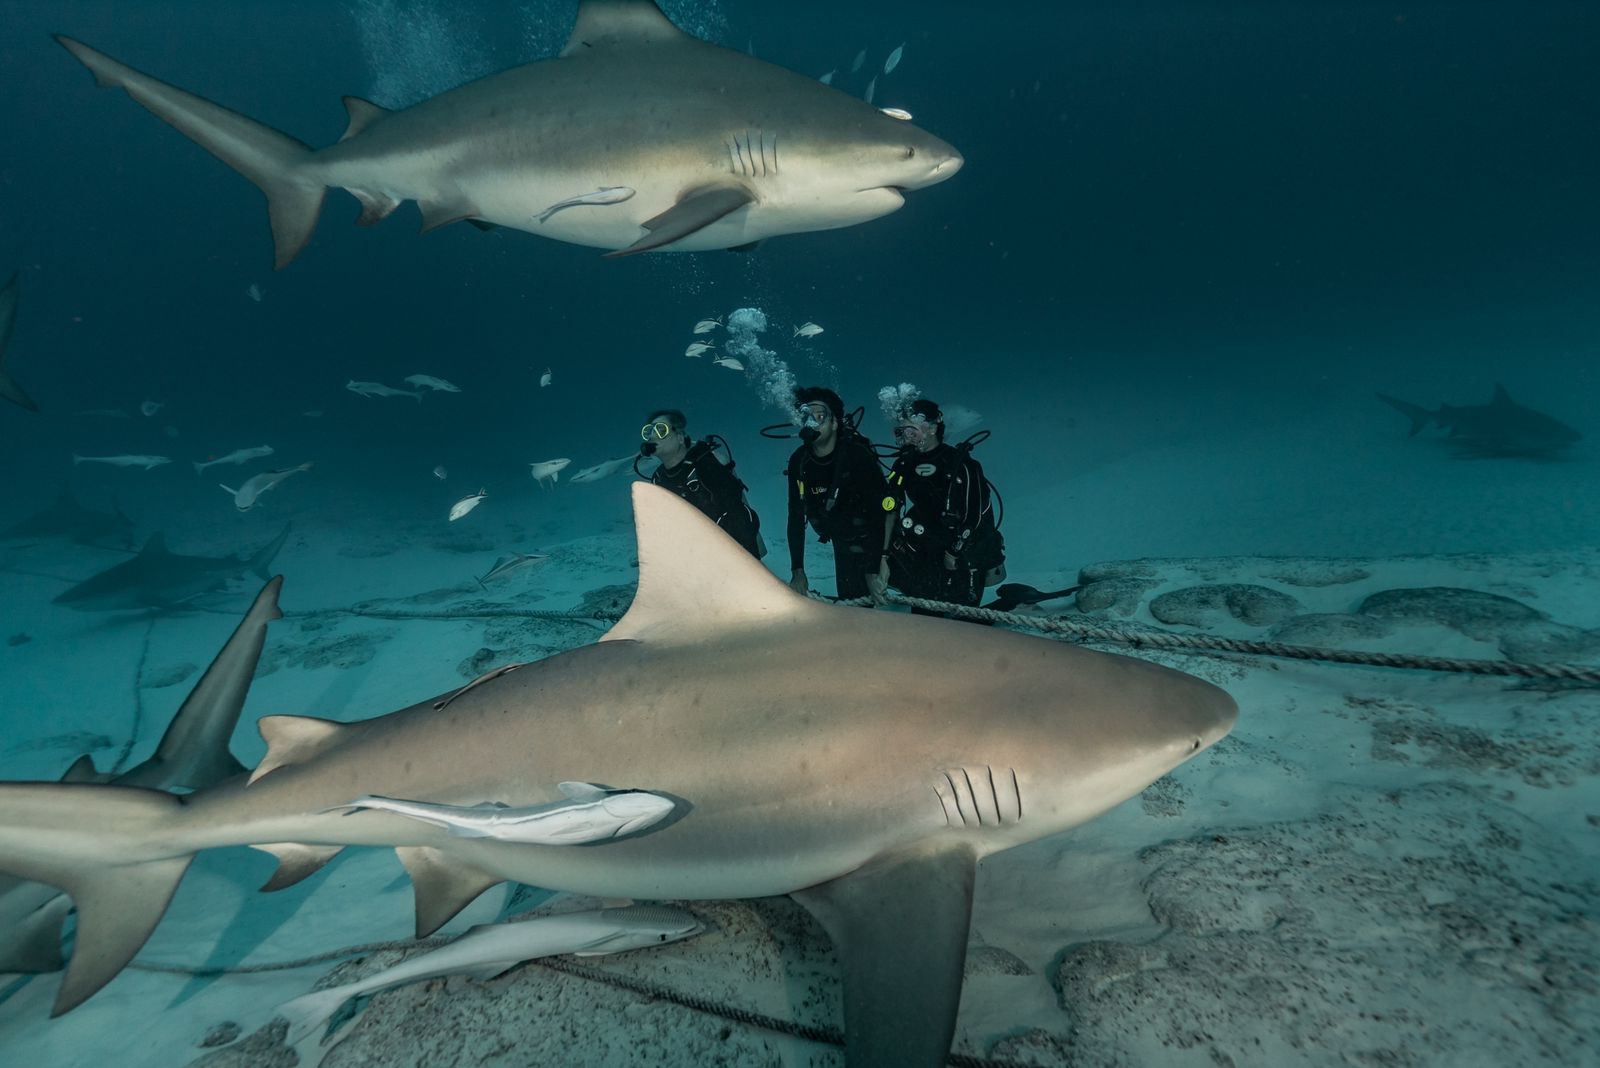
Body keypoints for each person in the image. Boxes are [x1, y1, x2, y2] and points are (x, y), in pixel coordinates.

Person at [870, 398, 1005, 620]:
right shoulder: (903, 465)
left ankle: (1002, 608)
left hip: (964, 554)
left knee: (964, 624)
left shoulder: (963, 464)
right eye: (902, 431)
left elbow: (975, 515)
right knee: (925, 619)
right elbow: (890, 511)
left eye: (912, 430)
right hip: (927, 552)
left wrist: (955, 551)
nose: (907, 437)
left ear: (932, 428)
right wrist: (883, 558)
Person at [784, 387, 892, 600]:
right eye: (806, 415)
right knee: (855, 608)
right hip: (842, 542)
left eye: (820, 416)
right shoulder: (799, 461)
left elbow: (878, 515)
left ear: (835, 423)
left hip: (880, 541)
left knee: (917, 595)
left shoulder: (857, 457)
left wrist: (874, 568)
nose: (811, 422)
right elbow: (795, 516)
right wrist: (798, 570)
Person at [639, 409, 765, 558]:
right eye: (649, 431)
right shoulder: (658, 479)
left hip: (733, 550)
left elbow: (740, 516)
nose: (652, 436)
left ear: (680, 438)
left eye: (661, 430)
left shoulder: (705, 465)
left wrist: (751, 563)